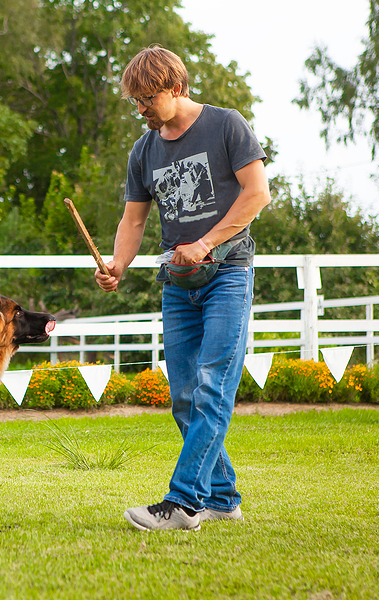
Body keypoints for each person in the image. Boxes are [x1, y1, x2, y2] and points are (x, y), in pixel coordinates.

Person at [95, 45, 271, 531]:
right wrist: (119, 264)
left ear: (176, 87)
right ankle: (223, 497)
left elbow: (258, 194)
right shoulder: (144, 150)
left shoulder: (226, 125)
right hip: (177, 284)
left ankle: (183, 503)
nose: (141, 110)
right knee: (185, 396)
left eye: (147, 99)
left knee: (213, 386)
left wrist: (206, 242)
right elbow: (134, 219)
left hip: (228, 275)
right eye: (135, 101)